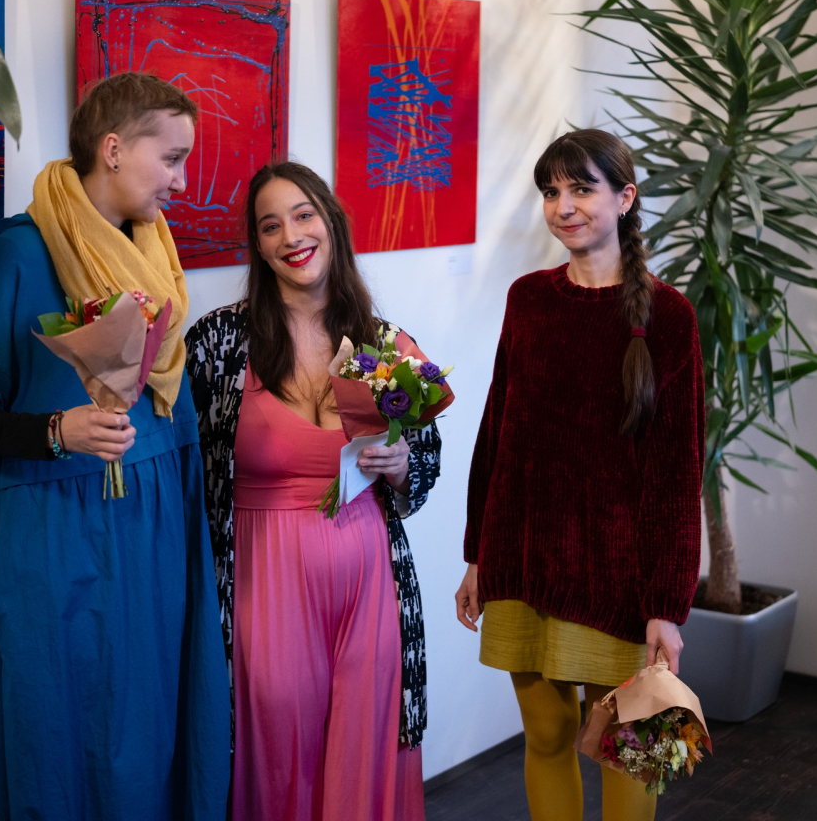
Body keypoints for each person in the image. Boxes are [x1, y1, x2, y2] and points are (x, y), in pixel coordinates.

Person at [0, 71, 231, 820]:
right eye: (172, 158)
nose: (182, 181)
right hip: (53, 546)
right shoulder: (20, 255)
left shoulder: (154, 257)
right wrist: (55, 432)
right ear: (114, 149)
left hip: (151, 539)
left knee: (150, 731)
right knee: (54, 734)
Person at [455, 129, 704, 821]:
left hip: (620, 576)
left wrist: (668, 603)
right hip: (522, 560)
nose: (563, 206)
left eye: (581, 188)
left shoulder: (671, 317)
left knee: (636, 749)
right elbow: (497, 431)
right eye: (551, 191)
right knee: (546, 734)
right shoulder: (528, 299)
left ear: (625, 198)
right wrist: (477, 554)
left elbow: (677, 474)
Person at [185, 161, 441, 821]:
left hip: (372, 589)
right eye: (270, 226)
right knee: (274, 749)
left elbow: (426, 467)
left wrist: (400, 464)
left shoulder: (385, 343)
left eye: (304, 215)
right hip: (263, 584)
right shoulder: (218, 342)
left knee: (366, 750)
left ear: (331, 222)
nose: (292, 236)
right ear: (258, 244)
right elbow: (187, 472)